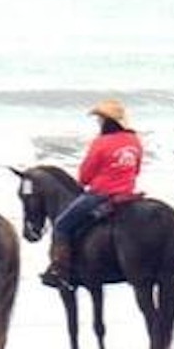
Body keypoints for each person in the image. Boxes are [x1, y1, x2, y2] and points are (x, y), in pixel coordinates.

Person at [39, 99, 143, 291]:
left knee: (62, 224)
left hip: (102, 193)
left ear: (105, 121)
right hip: (128, 194)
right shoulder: (134, 140)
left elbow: (85, 175)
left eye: (100, 119)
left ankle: (60, 271)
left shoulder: (101, 143)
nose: (98, 122)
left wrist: (90, 182)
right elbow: (136, 169)